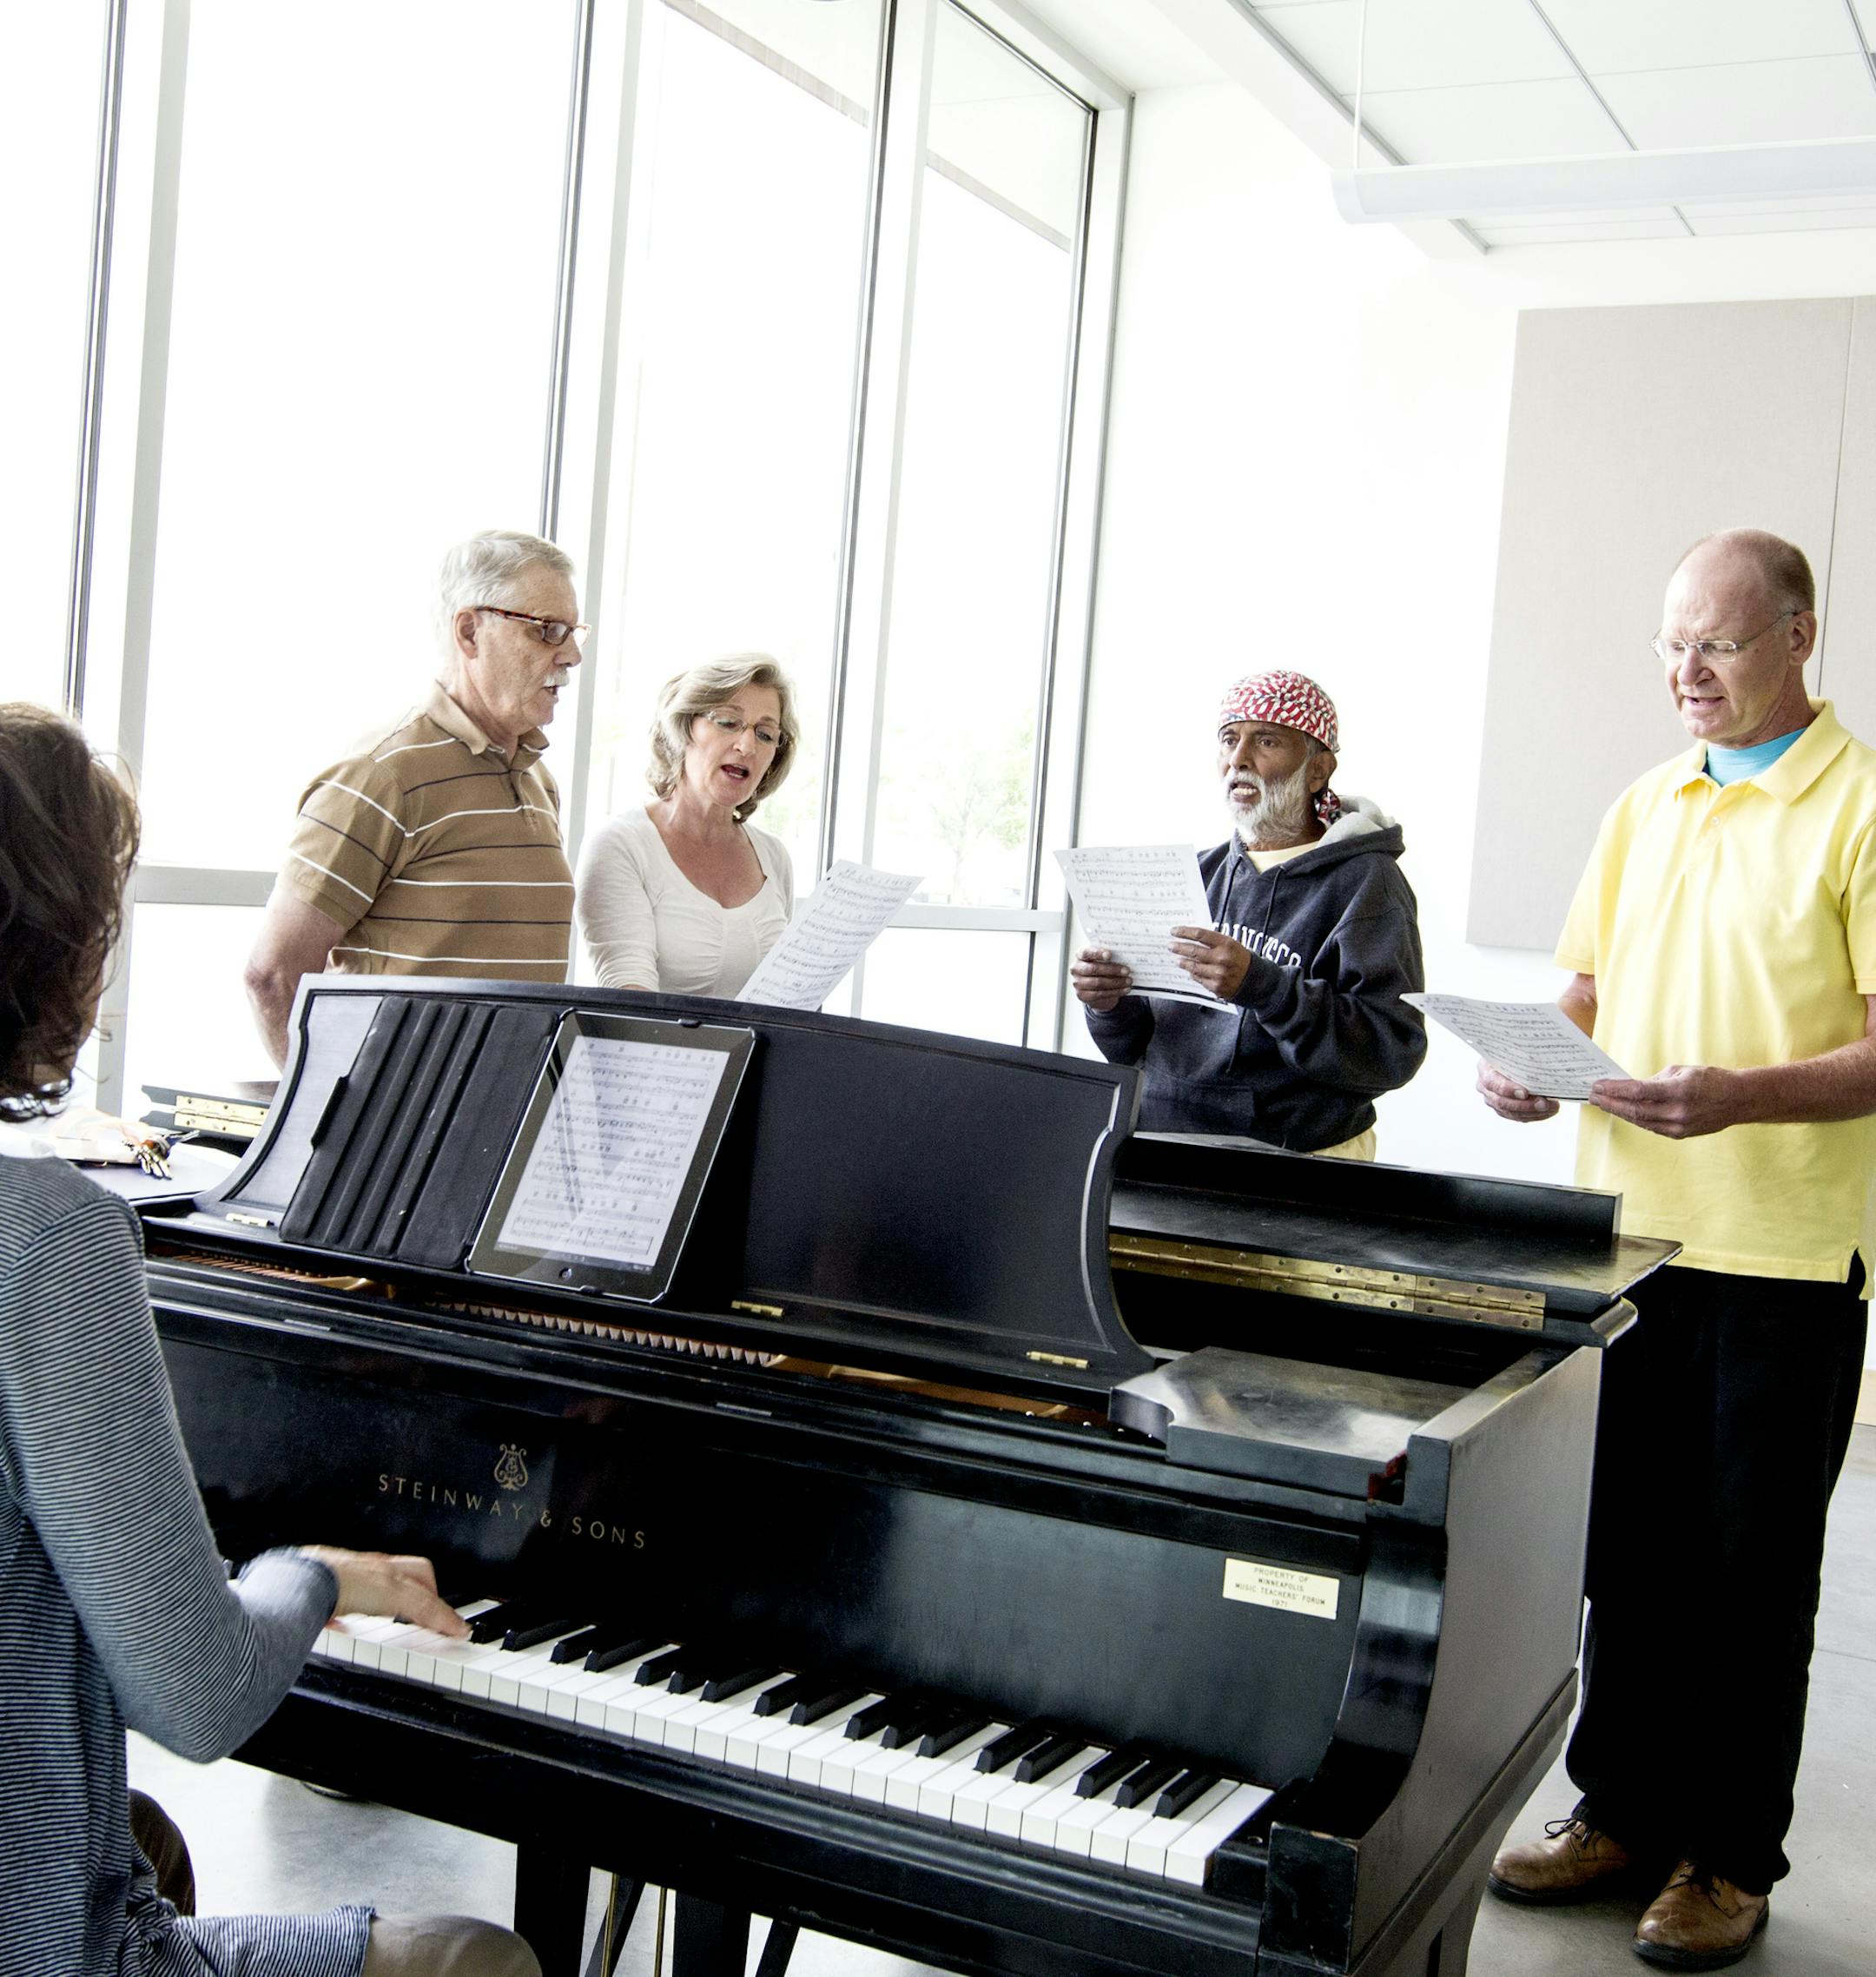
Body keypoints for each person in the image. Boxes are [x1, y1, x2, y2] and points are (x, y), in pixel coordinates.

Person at [0, 703, 538, 1977]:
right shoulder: (45, 1240)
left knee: (148, 1850)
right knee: (477, 1960)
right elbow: (195, 1697)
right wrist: (314, 1571)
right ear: (58, 948)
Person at [1480, 529, 1875, 1970]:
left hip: (1781, 1256)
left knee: (1749, 1572)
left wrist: (1741, 1097)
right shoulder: (1646, 802)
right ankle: (1619, 1810)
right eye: (1669, 644)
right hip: (1629, 1246)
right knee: (1626, 1556)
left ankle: (1727, 1856)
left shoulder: (1865, 806)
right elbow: (1587, 988)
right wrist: (1535, 1062)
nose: (1685, 671)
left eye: (1714, 642)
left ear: (1798, 636)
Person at [244, 530, 583, 1067]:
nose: (573, 654)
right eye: (548, 631)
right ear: (470, 631)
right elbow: (272, 974)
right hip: (394, 1134)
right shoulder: (381, 775)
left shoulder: (540, 783)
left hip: (504, 1121)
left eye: (572, 631)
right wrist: (325, 1126)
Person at [1071, 669, 1425, 1155]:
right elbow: (1134, 1047)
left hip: (1298, 1157)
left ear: (1318, 770)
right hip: (1163, 1140)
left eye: (1266, 741)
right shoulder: (1193, 875)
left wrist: (1265, 988)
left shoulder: (1368, 885)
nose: (1239, 760)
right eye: (1229, 740)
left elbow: (1390, 1052)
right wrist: (1107, 1004)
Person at [577, 656, 798, 997]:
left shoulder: (774, 857)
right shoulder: (621, 845)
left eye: (766, 734)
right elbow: (630, 1004)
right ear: (683, 730)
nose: (747, 746)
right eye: (727, 722)